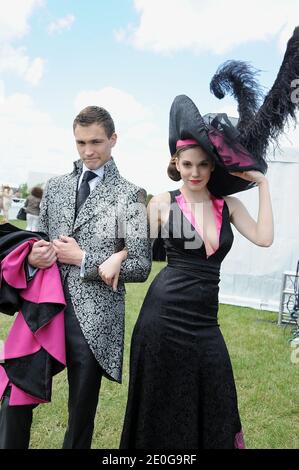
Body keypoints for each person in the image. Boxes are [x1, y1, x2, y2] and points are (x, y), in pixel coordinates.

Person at [117, 27, 298, 449]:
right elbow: (137, 249)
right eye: (186, 163)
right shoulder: (162, 202)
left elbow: (266, 238)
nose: (195, 172)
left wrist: (262, 185)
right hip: (161, 320)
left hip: (204, 324)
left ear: (212, 167)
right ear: (175, 163)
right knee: (160, 409)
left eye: (202, 164)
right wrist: (114, 258)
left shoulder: (228, 207)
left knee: (214, 397)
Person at [0, 105, 151, 449]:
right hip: (44, 311)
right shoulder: (53, 188)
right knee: (14, 395)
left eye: (96, 141)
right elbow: (35, 240)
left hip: (95, 324)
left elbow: (141, 264)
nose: (88, 151)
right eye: (80, 142)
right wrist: (36, 255)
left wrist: (84, 258)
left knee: (80, 417)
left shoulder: (131, 195)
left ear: (113, 140)